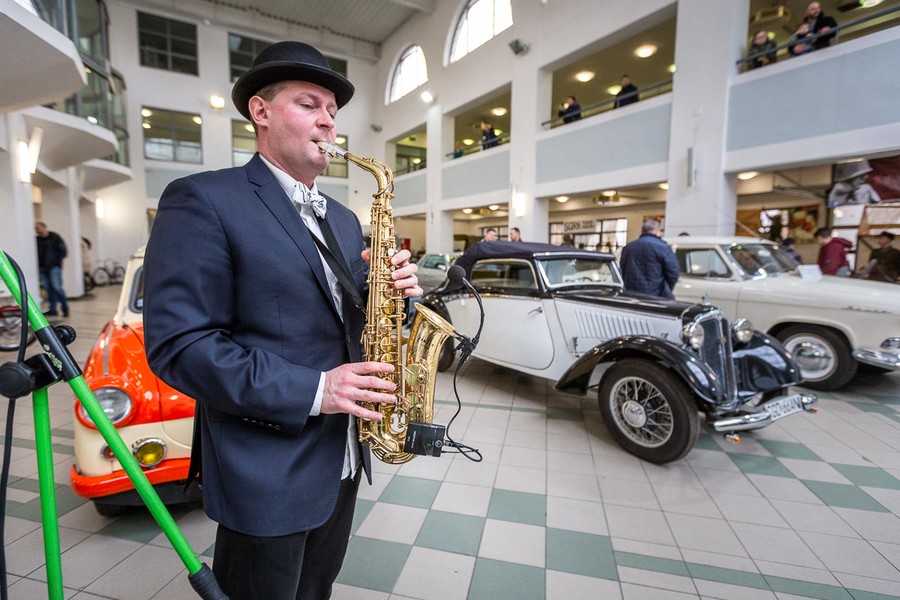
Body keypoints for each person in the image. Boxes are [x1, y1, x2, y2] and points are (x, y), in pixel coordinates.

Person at [142, 41, 422, 600]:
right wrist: (318, 389)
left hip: (342, 456)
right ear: (261, 111)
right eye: (309, 104)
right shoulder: (203, 199)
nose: (328, 121)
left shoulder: (343, 219)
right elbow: (180, 346)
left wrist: (395, 298)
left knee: (316, 590)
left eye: (333, 111)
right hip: (265, 468)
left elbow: (352, 320)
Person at [619, 219, 680, 299]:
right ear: (657, 231)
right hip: (656, 296)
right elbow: (673, 272)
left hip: (631, 294)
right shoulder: (663, 247)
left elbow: (622, 269)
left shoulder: (628, 247)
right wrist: (665, 289)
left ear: (642, 231)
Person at [35, 221, 69, 317]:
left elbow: (63, 251)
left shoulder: (55, 238)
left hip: (54, 267)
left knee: (56, 287)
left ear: (44, 227)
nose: (36, 230)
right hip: (42, 268)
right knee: (48, 288)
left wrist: (56, 262)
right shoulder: (37, 240)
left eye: (38, 228)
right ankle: (52, 309)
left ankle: (65, 307)